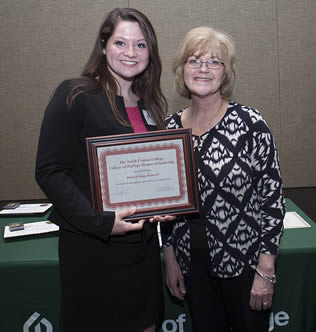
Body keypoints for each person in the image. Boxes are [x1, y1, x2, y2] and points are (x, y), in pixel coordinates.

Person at [35, 8, 172, 332]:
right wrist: (102, 223)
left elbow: (149, 174)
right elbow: (50, 171)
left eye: (140, 45)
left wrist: (165, 204)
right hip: (94, 251)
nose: (130, 53)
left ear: (150, 52)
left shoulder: (147, 104)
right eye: (121, 42)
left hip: (143, 254)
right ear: (104, 45)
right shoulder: (76, 94)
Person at [162, 26, 286, 332]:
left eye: (214, 62)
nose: (203, 69)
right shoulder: (168, 130)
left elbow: (272, 200)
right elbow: (164, 203)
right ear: (181, 70)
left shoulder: (250, 124)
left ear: (225, 73)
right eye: (194, 60)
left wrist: (266, 270)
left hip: (246, 264)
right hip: (192, 264)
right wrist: (170, 257)